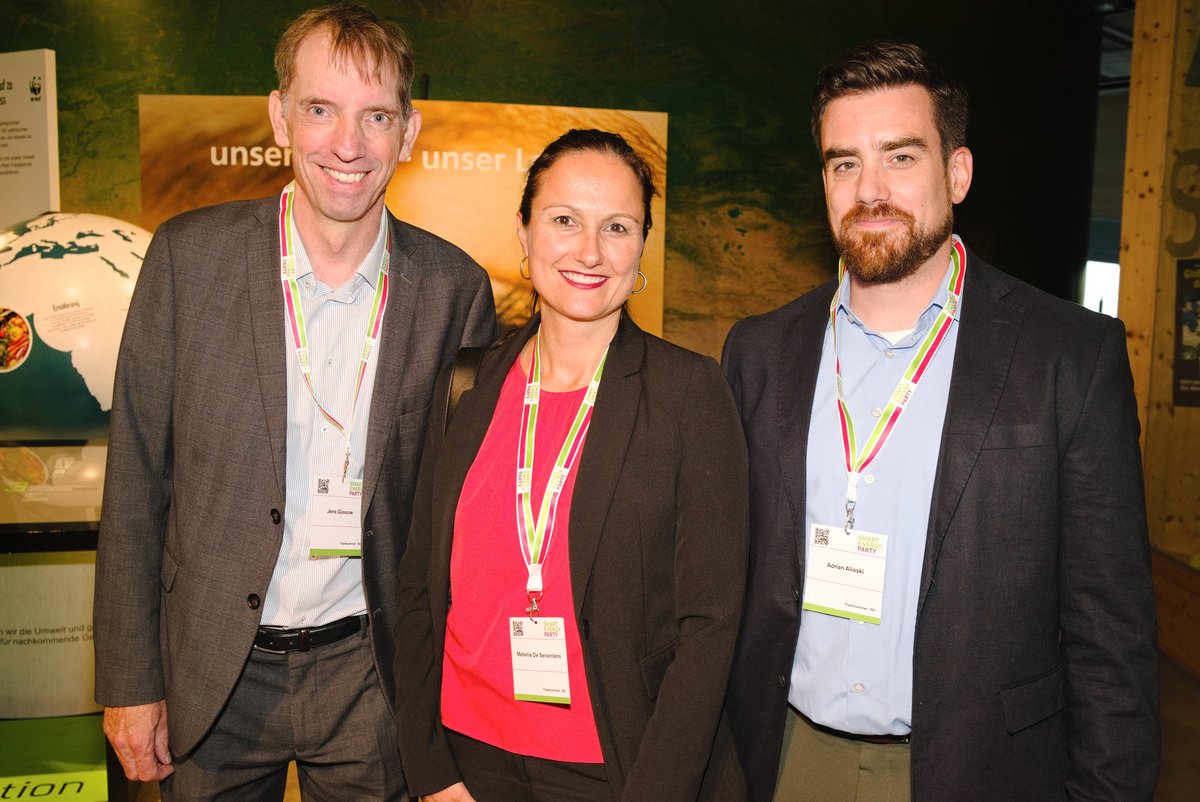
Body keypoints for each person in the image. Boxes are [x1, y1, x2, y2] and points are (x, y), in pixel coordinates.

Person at [722, 41, 1159, 801]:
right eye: (845, 163)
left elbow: (1110, 632)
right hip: (786, 759)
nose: (869, 190)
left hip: (978, 768)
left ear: (957, 173)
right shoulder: (758, 352)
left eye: (900, 157)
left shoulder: (1068, 355)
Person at [93, 4, 495, 798]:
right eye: (320, 110)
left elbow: (460, 517)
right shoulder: (186, 261)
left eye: (376, 116)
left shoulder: (456, 289)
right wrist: (131, 681)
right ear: (279, 117)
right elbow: (136, 480)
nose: (348, 145)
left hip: (372, 677)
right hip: (211, 669)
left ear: (409, 133)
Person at [394, 129, 749, 801]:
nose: (589, 251)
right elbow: (418, 583)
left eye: (616, 227)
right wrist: (432, 770)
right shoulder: (468, 385)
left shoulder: (688, 394)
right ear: (523, 232)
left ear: (641, 246)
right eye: (564, 220)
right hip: (468, 756)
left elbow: (711, 626)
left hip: (614, 768)